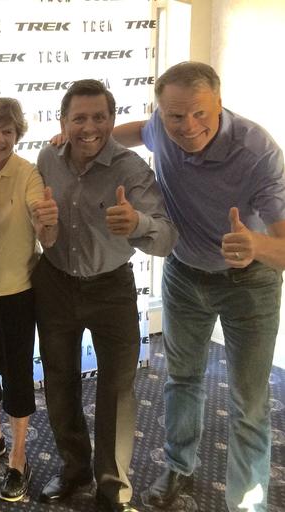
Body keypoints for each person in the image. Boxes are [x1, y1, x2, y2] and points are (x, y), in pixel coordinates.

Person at [113, 61, 285, 512]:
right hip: (184, 274)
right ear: (161, 113)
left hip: (250, 284)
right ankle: (178, 466)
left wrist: (255, 245)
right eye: (175, 116)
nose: (188, 127)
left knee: (249, 402)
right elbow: (135, 133)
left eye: (200, 114)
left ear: (219, 103)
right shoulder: (160, 126)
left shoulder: (258, 152)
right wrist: (81, 138)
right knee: (182, 378)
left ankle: (247, 503)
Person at [34, 79, 177, 512]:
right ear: (63, 121)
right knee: (59, 383)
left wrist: (137, 224)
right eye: (79, 118)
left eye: (99, 117)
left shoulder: (131, 169)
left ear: (112, 120)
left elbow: (166, 238)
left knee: (117, 390)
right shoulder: (47, 157)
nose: (90, 127)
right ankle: (74, 468)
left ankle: (112, 488)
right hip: (55, 283)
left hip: (111, 289)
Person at [0, 97, 58, 503]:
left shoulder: (27, 173)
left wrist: (44, 219)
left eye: (7, 131)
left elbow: (40, 213)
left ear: (17, 134)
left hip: (17, 292)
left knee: (17, 376)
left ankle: (19, 458)